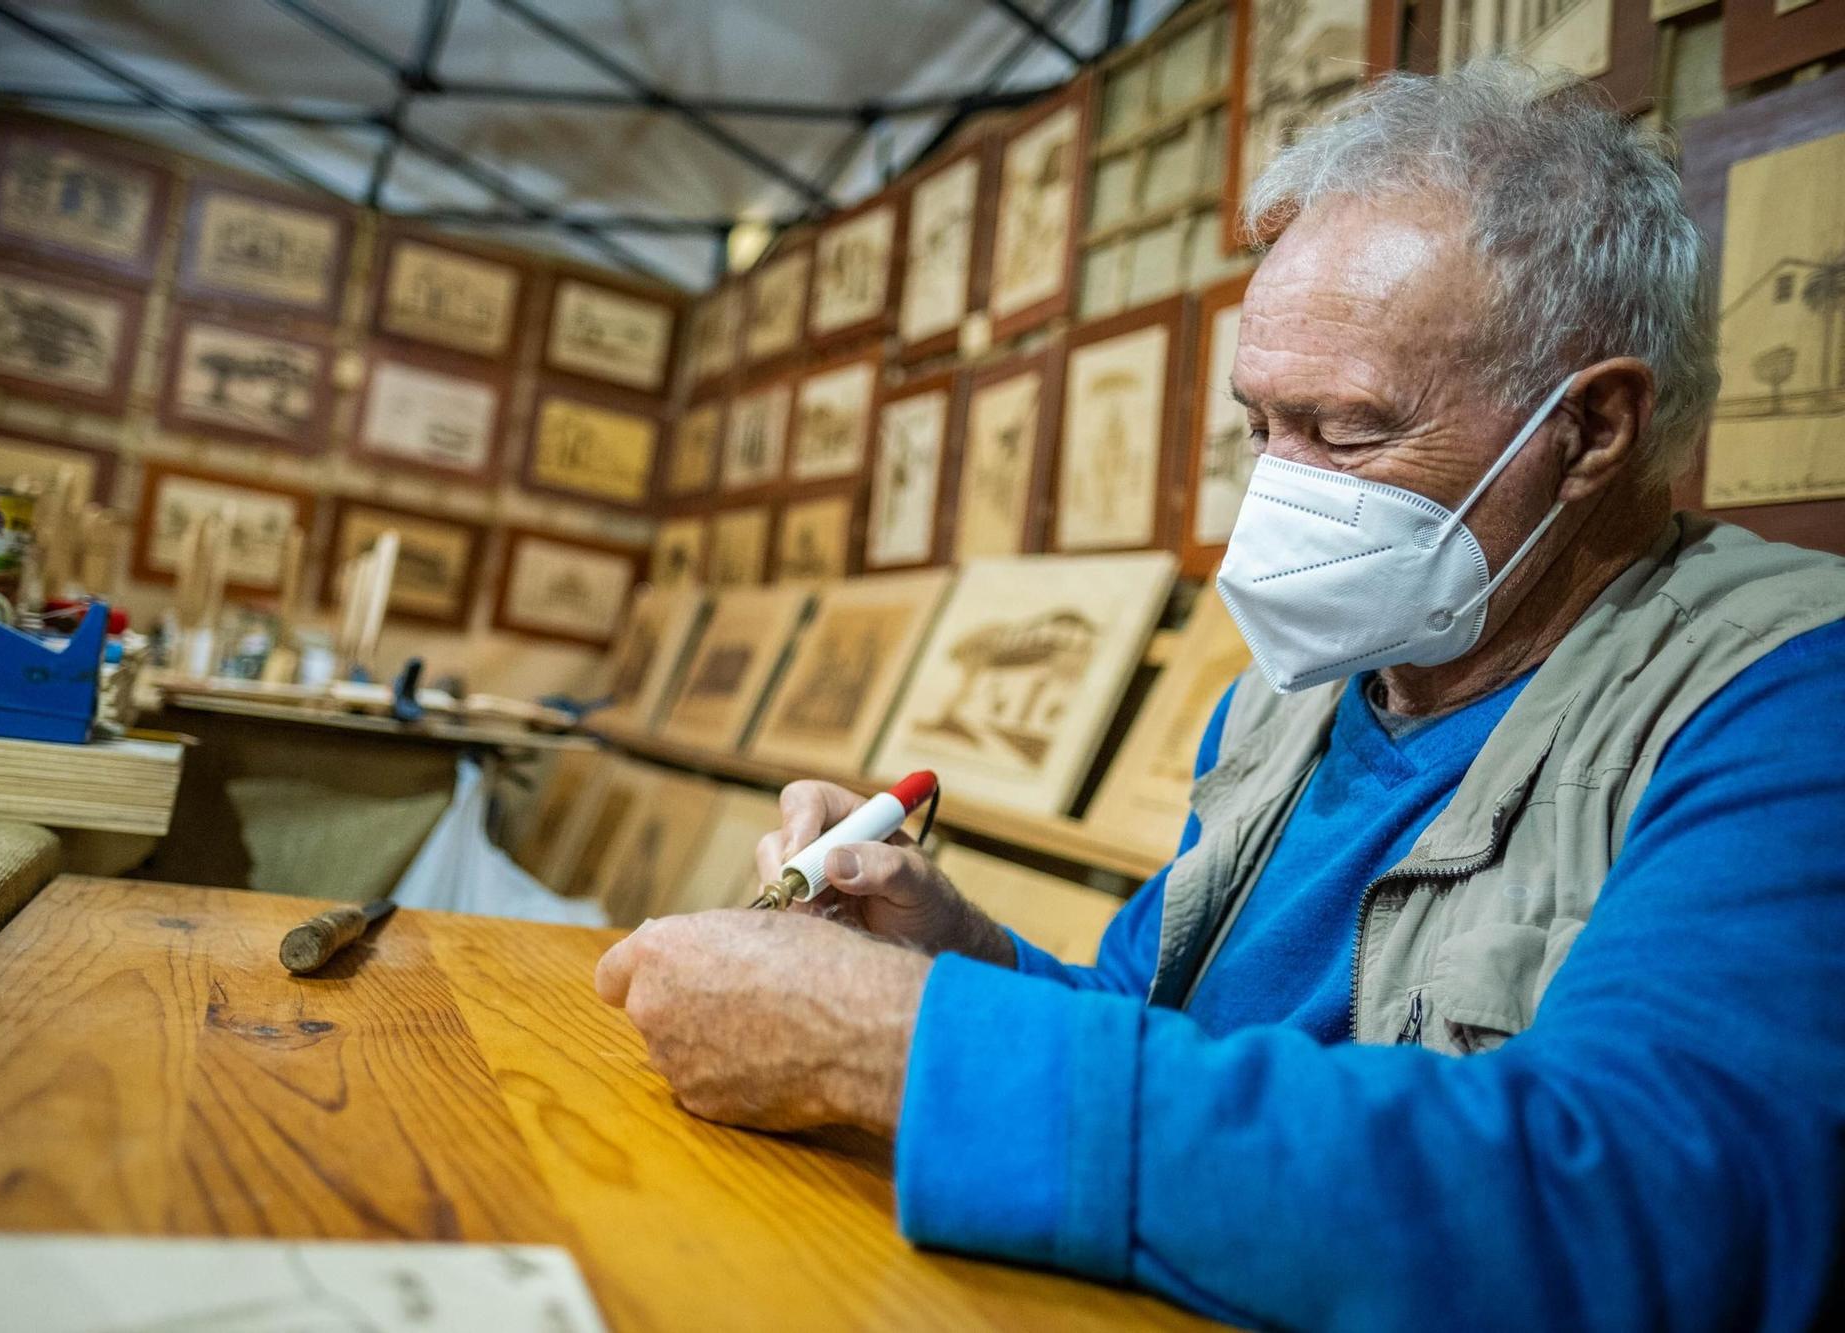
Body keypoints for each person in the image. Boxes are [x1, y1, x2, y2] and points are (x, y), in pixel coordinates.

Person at [594, 61, 1845, 1330]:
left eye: (1345, 430)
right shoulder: (1292, 700)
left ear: (1590, 430)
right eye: (1260, 426)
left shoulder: (1785, 698)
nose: (1278, 496)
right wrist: (953, 952)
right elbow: (1164, 1034)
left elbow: (1641, 1209)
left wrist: (894, 1045)